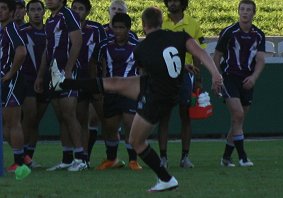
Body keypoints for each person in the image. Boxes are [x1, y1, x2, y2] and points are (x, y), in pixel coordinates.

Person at [53, 6, 223, 192]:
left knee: (136, 141)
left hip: (157, 95)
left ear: (143, 25)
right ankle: (64, 83)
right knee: (115, 82)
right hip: (164, 88)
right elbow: (199, 53)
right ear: (161, 21)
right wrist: (214, 74)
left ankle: (166, 178)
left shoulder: (142, 48)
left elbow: (151, 66)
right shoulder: (180, 36)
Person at [34, 0, 87, 171]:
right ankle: (67, 158)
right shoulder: (50, 20)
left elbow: (77, 41)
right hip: (53, 72)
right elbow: (48, 49)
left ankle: (81, 159)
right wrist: (41, 76)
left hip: (65, 72)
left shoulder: (68, 14)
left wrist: (69, 69)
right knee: (61, 117)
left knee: (69, 114)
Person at [88, 0, 140, 169]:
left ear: (128, 28)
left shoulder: (136, 44)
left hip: (129, 89)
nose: (117, 31)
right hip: (109, 89)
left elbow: (145, 65)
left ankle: (133, 160)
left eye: (121, 28)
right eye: (115, 28)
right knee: (110, 127)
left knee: (130, 123)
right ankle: (112, 159)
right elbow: (94, 63)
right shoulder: (103, 42)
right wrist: (98, 85)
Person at [213, 0, 265, 167]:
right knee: (238, 115)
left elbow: (261, 60)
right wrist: (217, 77)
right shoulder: (229, 32)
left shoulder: (259, 34)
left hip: (247, 80)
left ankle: (226, 158)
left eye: (248, 10)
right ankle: (242, 157)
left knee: (238, 121)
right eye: (242, 9)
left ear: (253, 13)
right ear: (238, 12)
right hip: (229, 78)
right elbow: (217, 56)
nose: (245, 12)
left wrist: (254, 78)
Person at [159, 0, 205, 168]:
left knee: (185, 115)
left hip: (185, 75)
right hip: (164, 75)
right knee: (164, 116)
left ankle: (185, 157)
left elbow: (198, 53)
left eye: (176, 0)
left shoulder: (193, 24)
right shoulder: (160, 22)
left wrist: (198, 79)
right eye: (169, 0)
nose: (172, 3)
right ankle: (163, 157)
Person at [70, 0, 107, 165]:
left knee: (107, 119)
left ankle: (113, 156)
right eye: (74, 8)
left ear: (88, 11)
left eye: (81, 9)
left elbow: (105, 53)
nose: (77, 11)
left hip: (96, 79)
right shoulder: (67, 28)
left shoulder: (96, 28)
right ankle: (83, 158)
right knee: (81, 118)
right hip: (78, 79)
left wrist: (104, 78)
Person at [0, 0, 31, 177]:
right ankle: (23, 158)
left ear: (11, 12)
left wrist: (11, 73)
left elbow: (21, 52)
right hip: (6, 82)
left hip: (12, 81)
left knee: (13, 122)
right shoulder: (3, 30)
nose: (0, 12)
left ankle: (19, 162)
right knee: (5, 124)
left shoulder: (11, 29)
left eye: (3, 9)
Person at [19, 0, 48, 168]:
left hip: (46, 81)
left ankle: (28, 157)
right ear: (27, 13)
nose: (36, 12)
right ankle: (21, 156)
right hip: (27, 79)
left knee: (35, 120)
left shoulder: (50, 30)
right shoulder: (22, 31)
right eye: (33, 10)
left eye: (39, 9)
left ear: (44, 12)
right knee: (29, 116)